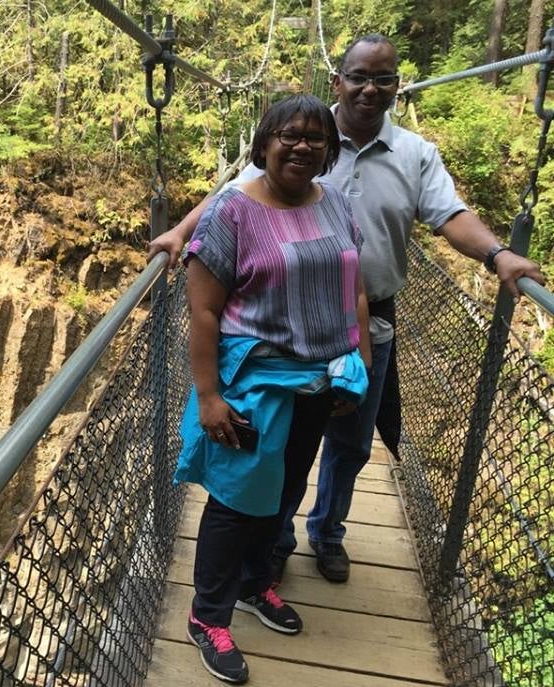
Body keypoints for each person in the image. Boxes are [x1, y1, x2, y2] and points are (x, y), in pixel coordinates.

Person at [153, 34, 545, 586]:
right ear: (338, 80)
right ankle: (275, 542)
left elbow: (450, 215)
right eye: (359, 76)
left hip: (366, 319)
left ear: (396, 86)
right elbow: (233, 198)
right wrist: (178, 231)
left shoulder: (414, 154)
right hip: (281, 334)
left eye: (383, 79)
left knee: (350, 440)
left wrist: (498, 254)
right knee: (282, 451)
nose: (369, 88)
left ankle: (328, 532)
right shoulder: (302, 139)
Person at [177, 94, 370, 683]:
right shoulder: (231, 212)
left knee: (284, 490)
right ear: (264, 144)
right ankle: (206, 615)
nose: (303, 146)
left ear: (329, 152)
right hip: (255, 382)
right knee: (237, 502)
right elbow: (203, 311)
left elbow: (353, 287)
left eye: (316, 138)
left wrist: (356, 364)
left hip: (317, 379)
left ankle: (255, 584)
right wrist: (210, 398)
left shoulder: (335, 201)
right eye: (290, 135)